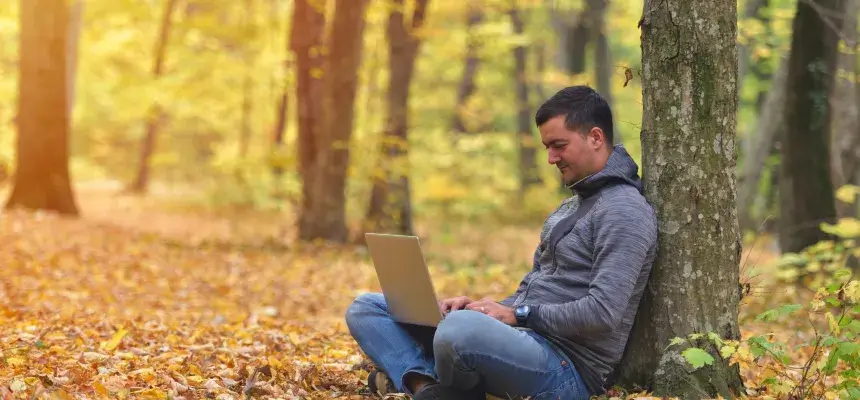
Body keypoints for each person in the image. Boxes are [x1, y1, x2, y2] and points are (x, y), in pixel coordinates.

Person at [345, 85, 658, 400]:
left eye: (558, 145)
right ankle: (426, 388)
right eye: (547, 147)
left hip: (565, 367)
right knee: (367, 308)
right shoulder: (571, 206)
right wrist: (484, 308)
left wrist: (517, 315)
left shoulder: (624, 211)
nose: (551, 158)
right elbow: (533, 293)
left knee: (458, 332)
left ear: (595, 138)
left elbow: (603, 314)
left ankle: (431, 381)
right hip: (522, 340)